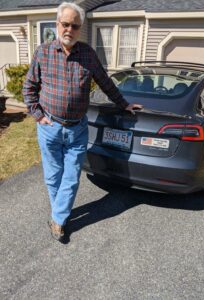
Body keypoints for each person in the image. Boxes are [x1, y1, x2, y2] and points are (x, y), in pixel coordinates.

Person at [22, 1, 143, 242]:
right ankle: (61, 214)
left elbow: (106, 83)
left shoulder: (88, 54)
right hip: (50, 127)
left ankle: (57, 218)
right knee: (53, 175)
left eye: (75, 26)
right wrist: (38, 115)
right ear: (58, 24)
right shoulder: (43, 52)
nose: (69, 29)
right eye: (65, 24)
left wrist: (124, 104)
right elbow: (29, 87)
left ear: (80, 28)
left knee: (72, 174)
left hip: (77, 128)